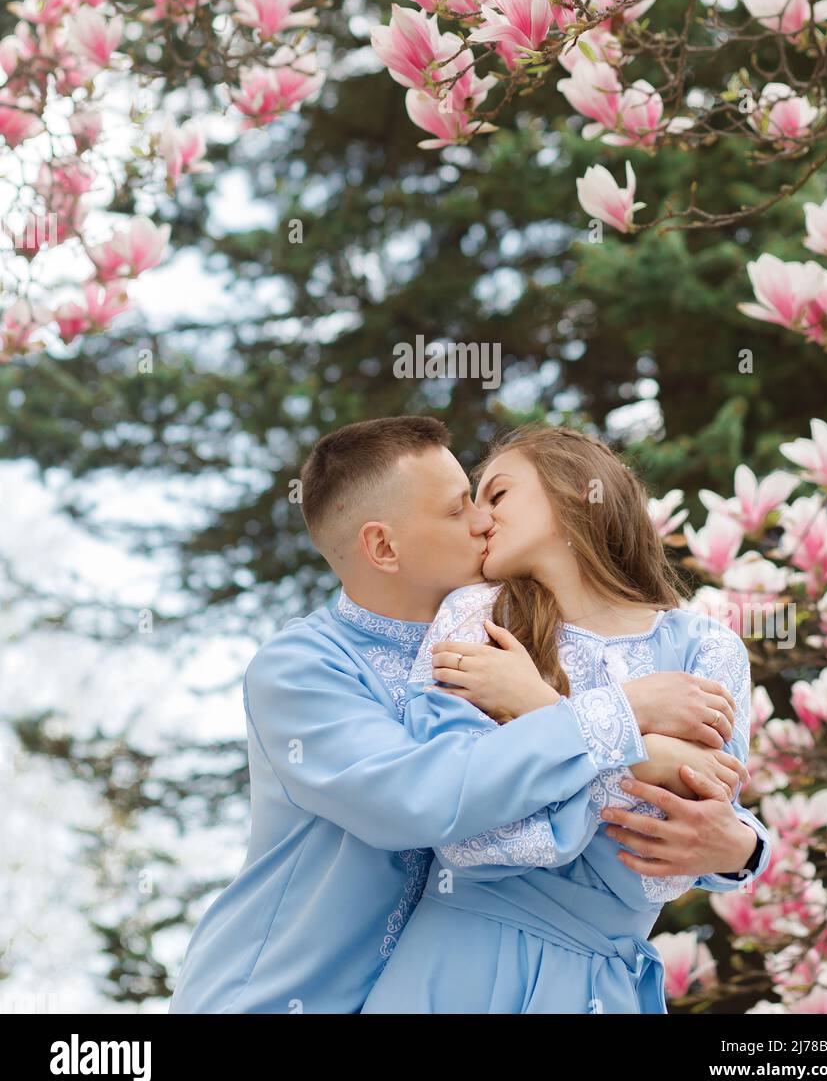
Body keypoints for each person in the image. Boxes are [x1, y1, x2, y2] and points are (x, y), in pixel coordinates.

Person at [169, 415, 768, 1014]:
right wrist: (628, 726)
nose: (483, 520)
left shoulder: (491, 632)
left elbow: (698, 826)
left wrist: (744, 849)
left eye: (492, 497)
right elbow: (425, 799)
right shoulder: (302, 669)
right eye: (459, 508)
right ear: (382, 546)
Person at [362, 424, 770, 1014]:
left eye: (496, 495)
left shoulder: (710, 648)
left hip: (604, 988)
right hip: (460, 965)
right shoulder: (474, 615)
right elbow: (467, 833)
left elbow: (662, 872)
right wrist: (650, 756)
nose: (478, 519)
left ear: (581, 490)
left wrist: (537, 709)